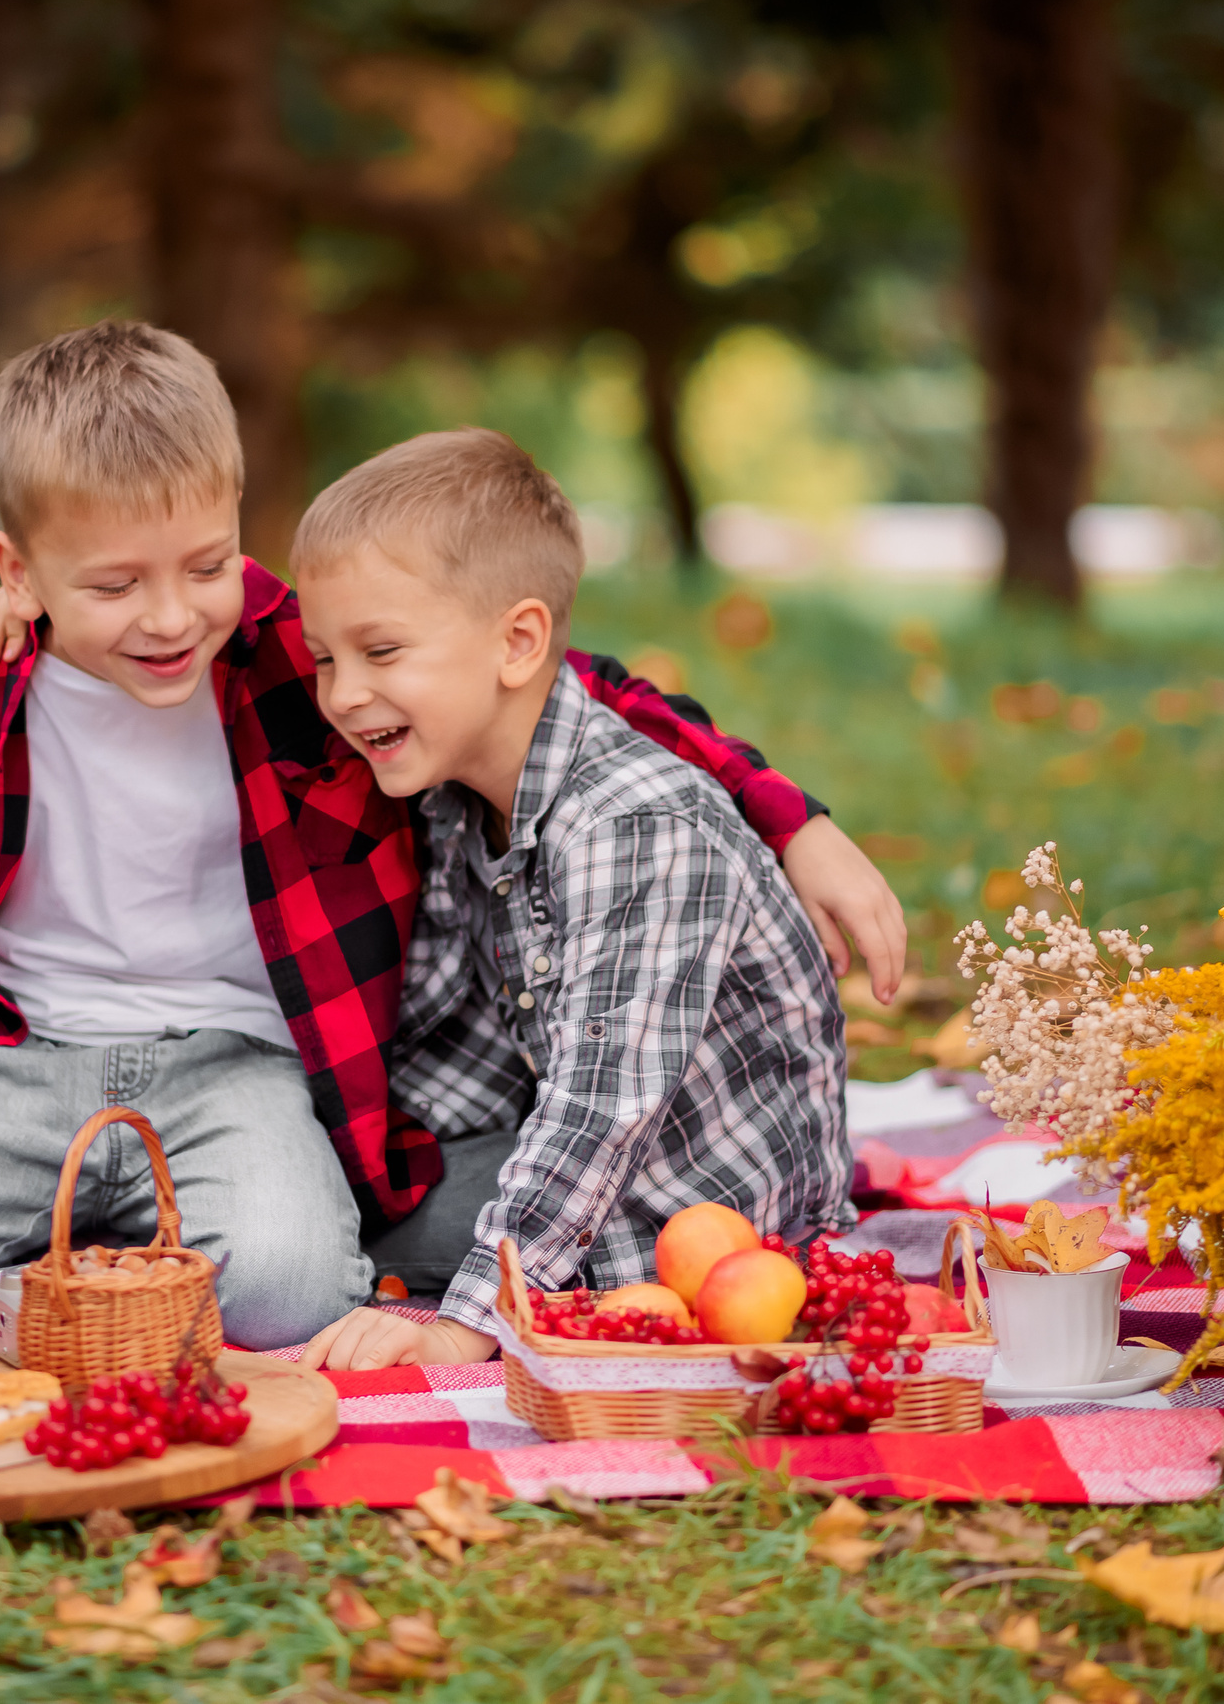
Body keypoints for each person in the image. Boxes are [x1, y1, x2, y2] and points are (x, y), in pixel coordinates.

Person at [0, 319, 900, 1347]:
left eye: (207, 564)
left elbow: (568, 686)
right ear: (20, 573)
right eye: (114, 584)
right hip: (12, 1053)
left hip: (242, 1061)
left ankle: (132, 1257)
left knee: (290, 1291)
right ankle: (75, 1258)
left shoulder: (288, 650)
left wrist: (788, 815)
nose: (172, 617)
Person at [290, 430, 854, 1372]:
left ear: (518, 643)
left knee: (304, 1265)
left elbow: (603, 1106)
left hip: (696, 1221)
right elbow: (461, 1046)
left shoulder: (636, 823)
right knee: (303, 1220)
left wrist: (467, 1324)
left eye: (379, 649)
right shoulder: (461, 798)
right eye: (323, 659)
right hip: (577, 1165)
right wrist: (350, 1162)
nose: (344, 695)